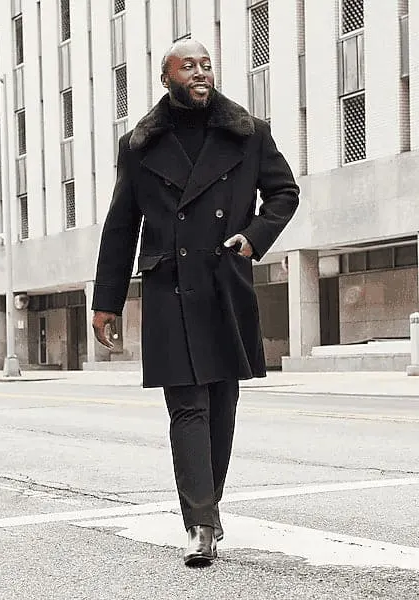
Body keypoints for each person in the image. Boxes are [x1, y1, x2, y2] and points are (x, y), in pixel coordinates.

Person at [90, 39, 299, 566]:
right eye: (188, 67)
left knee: (222, 408)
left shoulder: (249, 133)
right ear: (167, 79)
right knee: (188, 407)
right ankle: (200, 523)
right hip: (169, 287)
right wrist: (107, 301)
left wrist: (254, 237)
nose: (200, 72)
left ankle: (210, 507)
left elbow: (284, 193)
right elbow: (121, 226)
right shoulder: (138, 146)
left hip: (225, 280)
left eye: (206, 65)